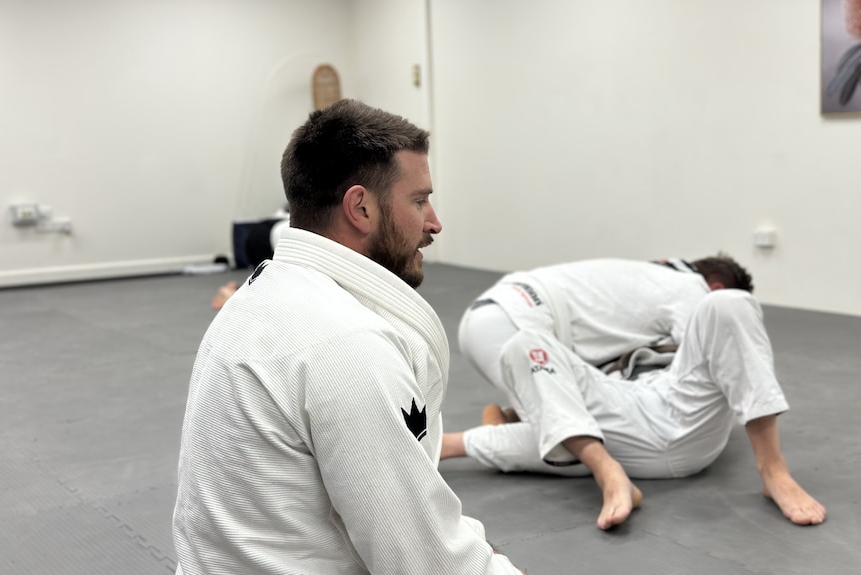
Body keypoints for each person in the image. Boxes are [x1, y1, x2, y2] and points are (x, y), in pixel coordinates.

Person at [173, 99, 523, 575]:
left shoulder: (258, 300)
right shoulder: (346, 345)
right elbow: (425, 562)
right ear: (360, 207)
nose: (434, 222)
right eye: (418, 201)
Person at [443, 264, 826, 530]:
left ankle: (774, 471)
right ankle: (607, 470)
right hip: (615, 414)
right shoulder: (628, 317)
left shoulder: (689, 312)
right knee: (525, 346)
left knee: (730, 305)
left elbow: (723, 355)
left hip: (679, 407)